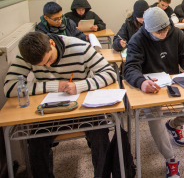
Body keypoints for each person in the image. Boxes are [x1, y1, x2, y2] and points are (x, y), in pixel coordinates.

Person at [3, 31, 117, 177]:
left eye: (48, 59)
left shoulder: (80, 47)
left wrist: (79, 85)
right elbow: (10, 87)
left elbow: (110, 73)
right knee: (36, 143)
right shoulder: (28, 54)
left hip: (83, 107)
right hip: (50, 110)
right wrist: (53, 86)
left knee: (100, 135)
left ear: (51, 43)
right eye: (41, 65)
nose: (48, 65)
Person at [124, 7, 184, 178]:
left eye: (166, 29)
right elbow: (129, 68)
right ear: (148, 29)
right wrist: (142, 82)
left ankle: (174, 124)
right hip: (151, 86)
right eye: (159, 32)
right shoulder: (137, 39)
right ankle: (170, 159)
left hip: (173, 81)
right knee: (155, 117)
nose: (164, 34)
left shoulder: (176, 33)